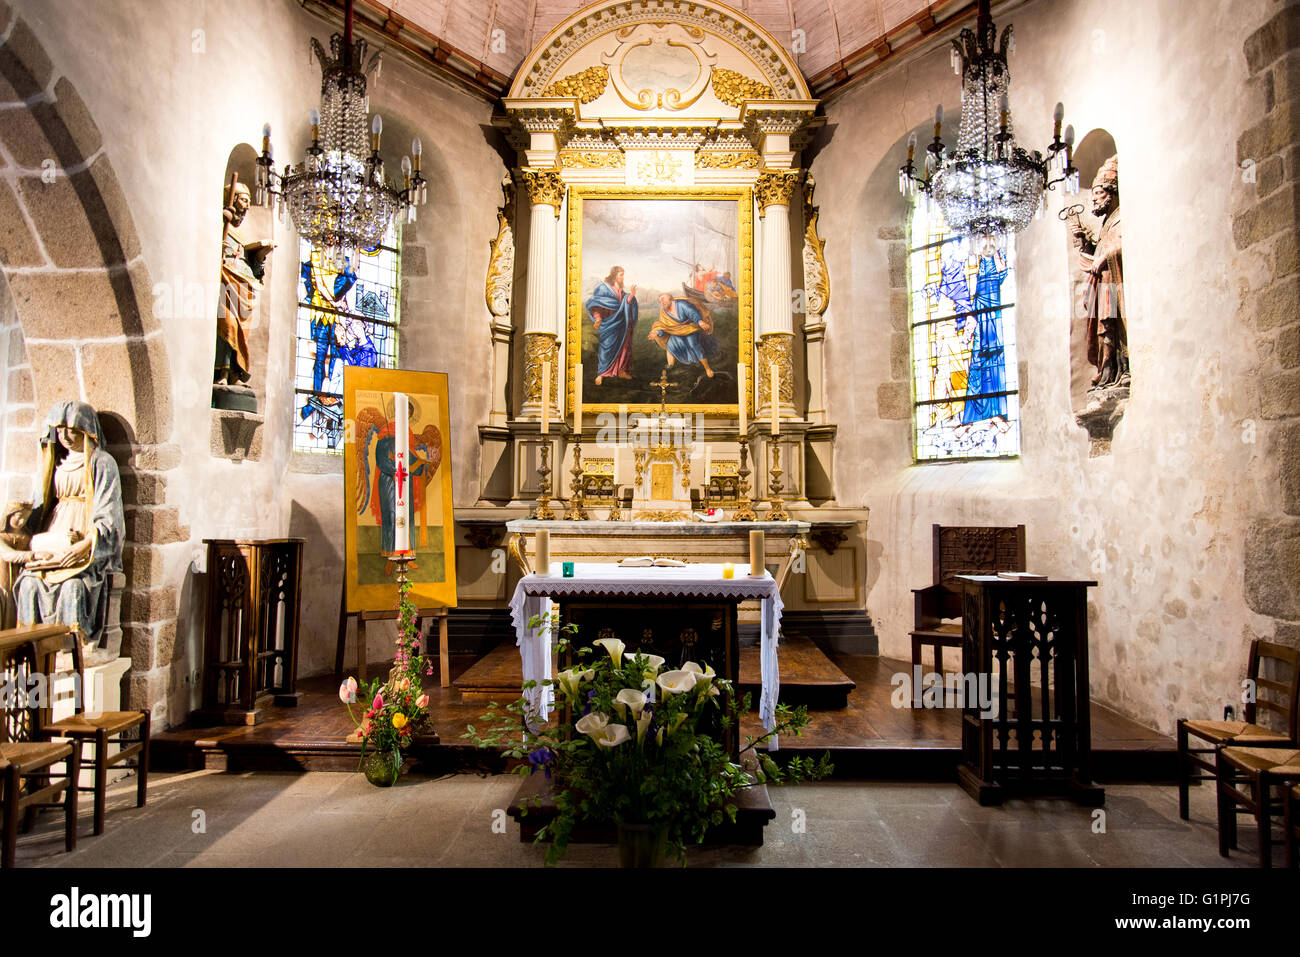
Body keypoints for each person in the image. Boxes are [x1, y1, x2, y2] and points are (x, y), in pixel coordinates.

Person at [14, 401, 125, 650]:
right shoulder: (55, 462)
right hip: (54, 537)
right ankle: (31, 648)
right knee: (29, 583)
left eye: (71, 429)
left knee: (73, 587)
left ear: (87, 430)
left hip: (84, 540)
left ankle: (71, 649)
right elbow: (37, 508)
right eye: (60, 430)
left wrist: (85, 545)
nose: (64, 436)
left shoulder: (102, 462)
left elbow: (109, 515)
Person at [1074, 154, 1127, 388]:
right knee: (1102, 329)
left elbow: (1122, 246)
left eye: (1099, 194)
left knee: (1110, 327)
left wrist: (1104, 257)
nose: (1095, 200)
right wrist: (1086, 245)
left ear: (1112, 193)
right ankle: (1106, 371)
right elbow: (1100, 249)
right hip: (1101, 285)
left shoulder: (1120, 220)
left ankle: (1120, 368)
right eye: (1093, 195)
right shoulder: (1106, 223)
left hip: (1112, 286)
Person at [214, 181, 273, 386]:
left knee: (242, 334)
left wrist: (260, 257)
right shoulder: (221, 225)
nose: (247, 206)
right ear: (233, 199)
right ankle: (220, 373)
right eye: (244, 200)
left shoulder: (239, 236)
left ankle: (235, 374)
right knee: (227, 326)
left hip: (243, 288)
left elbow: (255, 272)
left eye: (249, 202)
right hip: (225, 283)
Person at [961, 236, 1010, 427]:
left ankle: (996, 412)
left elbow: (1002, 272)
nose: (985, 248)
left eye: (990, 244)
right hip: (981, 307)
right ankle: (972, 416)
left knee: (994, 359)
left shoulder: (996, 261)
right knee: (978, 361)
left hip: (992, 309)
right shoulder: (977, 268)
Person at [584, 266, 638, 385]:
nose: (623, 277)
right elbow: (595, 304)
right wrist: (597, 319)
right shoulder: (603, 289)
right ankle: (602, 373)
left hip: (622, 324)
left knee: (624, 347)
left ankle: (621, 370)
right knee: (607, 348)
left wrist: (631, 297)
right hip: (609, 324)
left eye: (623, 274)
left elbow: (626, 304)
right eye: (621, 274)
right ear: (614, 275)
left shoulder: (623, 292)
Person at [649, 292, 717, 376]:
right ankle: (671, 364)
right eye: (660, 301)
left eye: (663, 299)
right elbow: (664, 326)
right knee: (670, 343)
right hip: (676, 331)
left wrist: (699, 321)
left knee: (693, 345)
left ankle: (707, 368)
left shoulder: (682, 305)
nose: (661, 302)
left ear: (670, 298)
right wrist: (657, 332)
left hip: (690, 328)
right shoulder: (664, 312)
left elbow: (693, 313)